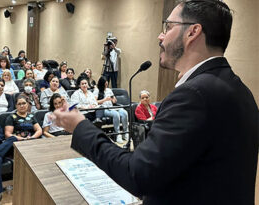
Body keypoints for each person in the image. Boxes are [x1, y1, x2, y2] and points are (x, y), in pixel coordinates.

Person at [52, 1, 258, 204]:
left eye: (168, 27)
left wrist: (80, 126)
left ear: (192, 32)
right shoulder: (239, 90)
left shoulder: (194, 95)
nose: (161, 36)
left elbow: (137, 175)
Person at [94, 76, 129, 143]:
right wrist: (105, 99)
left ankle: (125, 132)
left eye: (107, 84)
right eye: (105, 84)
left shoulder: (109, 90)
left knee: (124, 112)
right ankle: (118, 134)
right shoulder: (97, 91)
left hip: (112, 107)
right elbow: (95, 102)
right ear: (102, 84)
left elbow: (114, 101)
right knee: (116, 114)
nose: (106, 85)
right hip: (104, 109)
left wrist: (114, 100)